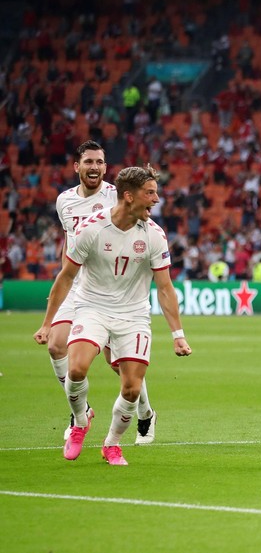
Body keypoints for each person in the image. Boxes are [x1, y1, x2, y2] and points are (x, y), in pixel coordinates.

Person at [34, 165, 193, 465]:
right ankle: (80, 422)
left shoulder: (155, 235)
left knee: (132, 388)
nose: (156, 200)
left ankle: (111, 444)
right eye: (150, 193)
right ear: (129, 197)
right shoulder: (92, 229)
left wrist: (178, 336)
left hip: (133, 315)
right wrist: (47, 322)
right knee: (77, 368)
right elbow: (66, 277)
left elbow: (165, 288)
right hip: (92, 306)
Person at [46, 140, 159, 446]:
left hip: (111, 287)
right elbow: (69, 244)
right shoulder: (64, 202)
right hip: (78, 284)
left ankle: (146, 412)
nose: (94, 167)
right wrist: (63, 283)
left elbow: (141, 213)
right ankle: (80, 411)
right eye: (88, 162)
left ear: (106, 168)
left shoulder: (116, 193)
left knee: (119, 361)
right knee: (57, 346)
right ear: (77, 167)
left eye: (99, 162)